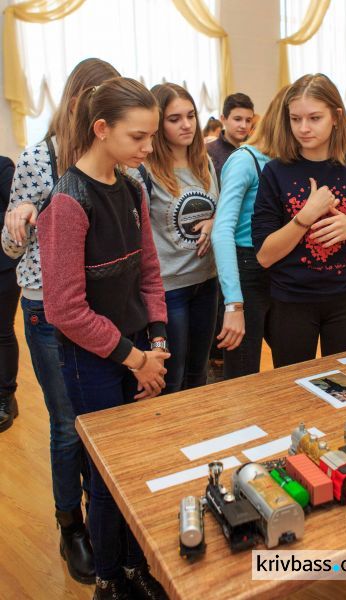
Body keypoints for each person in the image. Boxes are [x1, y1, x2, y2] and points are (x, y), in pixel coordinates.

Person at [37, 77, 169, 600]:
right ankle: (110, 580)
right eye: (138, 137)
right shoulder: (67, 202)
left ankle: (138, 567)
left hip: (139, 349)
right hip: (93, 360)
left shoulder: (133, 187)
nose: (148, 148)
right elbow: (65, 310)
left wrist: (156, 343)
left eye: (150, 136)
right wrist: (135, 357)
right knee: (106, 478)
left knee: (139, 468)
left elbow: (149, 274)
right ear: (101, 129)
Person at [2, 58, 122, 585]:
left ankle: (106, 515)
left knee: (103, 418)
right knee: (66, 424)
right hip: (49, 308)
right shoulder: (37, 158)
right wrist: (16, 225)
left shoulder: (118, 157)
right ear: (75, 102)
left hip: (103, 306)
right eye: (90, 97)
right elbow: (9, 248)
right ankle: (70, 524)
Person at [252, 73, 346, 368]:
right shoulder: (275, 172)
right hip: (291, 301)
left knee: (345, 385)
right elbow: (264, 256)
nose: (303, 128)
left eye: (314, 118)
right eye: (295, 119)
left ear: (336, 117)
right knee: (292, 388)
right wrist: (304, 217)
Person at [143, 82, 218, 394]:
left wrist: (214, 221)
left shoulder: (205, 162)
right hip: (170, 287)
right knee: (172, 377)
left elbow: (221, 207)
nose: (186, 124)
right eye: (174, 119)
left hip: (207, 280)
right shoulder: (145, 170)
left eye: (191, 115)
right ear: (158, 124)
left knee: (199, 373)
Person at [211, 86, 289, 380]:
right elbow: (222, 230)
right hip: (247, 271)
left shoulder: (285, 161)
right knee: (243, 374)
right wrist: (234, 302)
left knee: (291, 365)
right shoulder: (245, 160)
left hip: (280, 270)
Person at [0, 156, 19, 432]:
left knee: (1, 331)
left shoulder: (3, 166)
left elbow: (15, 212)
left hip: (3, 267)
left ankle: (5, 396)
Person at [207, 92, 254, 184]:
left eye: (248, 120)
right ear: (223, 119)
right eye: (237, 119)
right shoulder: (208, 151)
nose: (244, 126)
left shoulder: (256, 150)